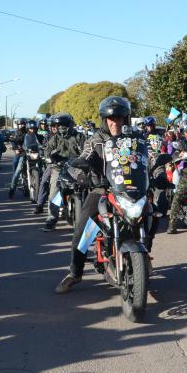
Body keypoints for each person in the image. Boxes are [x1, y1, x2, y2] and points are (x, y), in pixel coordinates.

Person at [55, 96, 135, 293]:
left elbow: (147, 158)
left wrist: (157, 172)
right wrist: (81, 174)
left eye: (119, 118)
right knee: (81, 230)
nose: (115, 122)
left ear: (126, 119)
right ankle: (75, 272)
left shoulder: (134, 139)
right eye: (111, 118)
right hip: (102, 190)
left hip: (130, 190)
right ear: (104, 120)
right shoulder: (95, 140)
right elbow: (85, 157)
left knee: (151, 213)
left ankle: (141, 254)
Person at [43, 113, 83, 231]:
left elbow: (87, 149)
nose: (61, 127)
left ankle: (92, 218)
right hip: (59, 167)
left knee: (89, 187)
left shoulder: (79, 137)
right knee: (53, 191)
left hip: (76, 167)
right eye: (59, 124)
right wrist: (49, 156)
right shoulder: (54, 138)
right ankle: (51, 218)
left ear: (70, 124)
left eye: (64, 124)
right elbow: (47, 151)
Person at [7, 119, 29, 198]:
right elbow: (13, 141)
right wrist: (15, 148)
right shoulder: (16, 133)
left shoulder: (29, 132)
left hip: (29, 154)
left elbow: (35, 141)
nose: (21, 126)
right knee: (17, 170)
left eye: (23, 124)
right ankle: (12, 189)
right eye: (20, 124)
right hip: (21, 153)